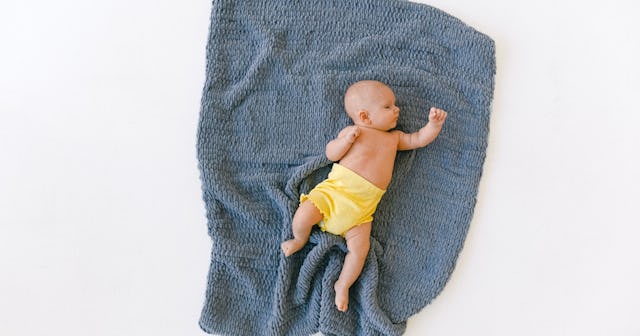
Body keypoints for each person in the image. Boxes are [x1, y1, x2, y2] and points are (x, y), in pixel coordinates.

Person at [281, 80, 448, 312]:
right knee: (302, 216)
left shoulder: (395, 138)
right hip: (333, 195)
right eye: (388, 106)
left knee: (360, 250)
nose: (397, 109)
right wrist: (344, 142)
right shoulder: (354, 132)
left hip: (361, 212)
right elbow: (331, 153)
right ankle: (298, 240)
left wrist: (433, 125)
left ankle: (343, 284)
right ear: (365, 116)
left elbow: (418, 139)